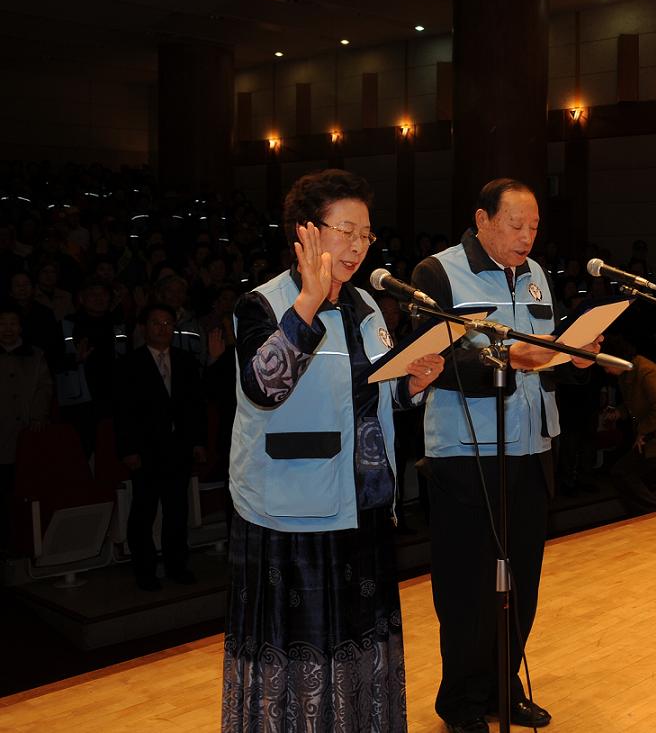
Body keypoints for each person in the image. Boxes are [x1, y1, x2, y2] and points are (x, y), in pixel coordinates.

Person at [221, 169, 445, 732]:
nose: (356, 246)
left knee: (359, 649)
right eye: (345, 231)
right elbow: (262, 387)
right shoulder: (264, 304)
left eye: (365, 235)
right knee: (300, 657)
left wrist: (412, 384)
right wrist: (308, 303)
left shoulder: (367, 306)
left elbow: (369, 398)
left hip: (362, 505)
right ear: (306, 233)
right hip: (291, 513)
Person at [412, 178, 601, 733]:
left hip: (531, 445)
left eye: (534, 226)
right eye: (516, 225)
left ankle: (503, 687)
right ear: (482, 220)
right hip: (465, 451)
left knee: (523, 581)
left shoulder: (538, 275)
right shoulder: (436, 274)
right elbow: (433, 360)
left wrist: (574, 356)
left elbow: (544, 351)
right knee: (467, 585)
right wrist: (506, 359)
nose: (527, 236)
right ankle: (461, 702)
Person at [116, 302, 207, 590]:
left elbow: (196, 407)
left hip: (178, 449)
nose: (163, 328)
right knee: (143, 512)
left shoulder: (185, 360)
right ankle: (144, 571)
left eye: (168, 323)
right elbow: (123, 412)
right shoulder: (130, 363)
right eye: (157, 323)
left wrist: (197, 442)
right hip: (145, 451)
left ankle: (177, 566)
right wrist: (128, 449)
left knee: (177, 512)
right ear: (144, 328)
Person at [601, 332, 656, 515]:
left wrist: (642, 432)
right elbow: (635, 404)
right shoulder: (627, 373)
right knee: (629, 476)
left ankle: (655, 513)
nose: (606, 371)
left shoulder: (646, 372)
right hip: (650, 436)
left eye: (606, 366)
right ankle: (650, 514)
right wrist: (619, 412)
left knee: (623, 474)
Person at [0, 306, 53, 550]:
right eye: (3, 323)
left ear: (20, 328)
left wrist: (37, 415)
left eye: (13, 323)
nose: (8, 328)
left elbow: (44, 387)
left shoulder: (35, 355)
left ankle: (25, 542)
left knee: (24, 488)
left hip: (25, 433)